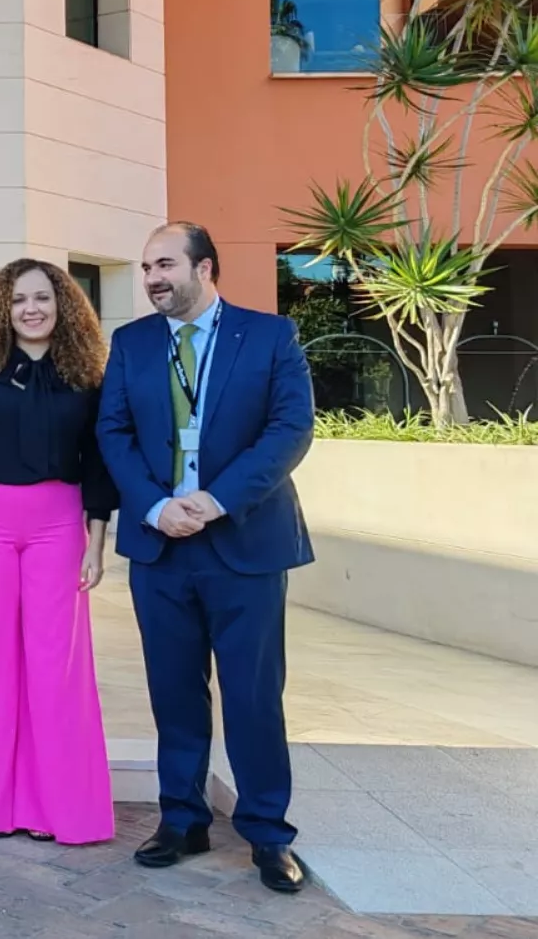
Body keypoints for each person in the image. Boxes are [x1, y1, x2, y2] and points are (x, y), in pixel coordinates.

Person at [96, 222, 315, 894]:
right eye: (145, 267)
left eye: (165, 264)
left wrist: (215, 501)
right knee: (174, 692)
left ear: (206, 268)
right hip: (162, 547)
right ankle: (183, 819)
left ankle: (268, 834)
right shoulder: (131, 343)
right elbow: (113, 429)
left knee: (252, 695)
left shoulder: (269, 337)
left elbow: (290, 429)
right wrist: (155, 506)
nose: (153, 277)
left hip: (244, 544)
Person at [0, 258, 117, 845]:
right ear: (1, 310)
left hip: (58, 525)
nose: (31, 309)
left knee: (54, 667)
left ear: (62, 305)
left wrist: (96, 543)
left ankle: (55, 810)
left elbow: (98, 463)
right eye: (18, 300)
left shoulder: (87, 374)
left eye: (42, 298)